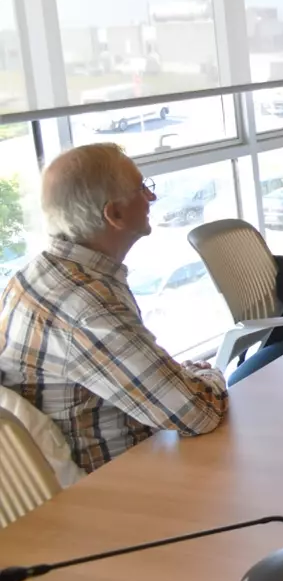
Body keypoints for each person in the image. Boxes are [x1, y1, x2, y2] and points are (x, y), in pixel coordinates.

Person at [0, 144, 228, 473]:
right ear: (114, 215)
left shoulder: (34, 275)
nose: (151, 199)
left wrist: (184, 378)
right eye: (141, 188)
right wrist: (210, 374)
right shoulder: (86, 306)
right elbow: (196, 413)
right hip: (116, 488)